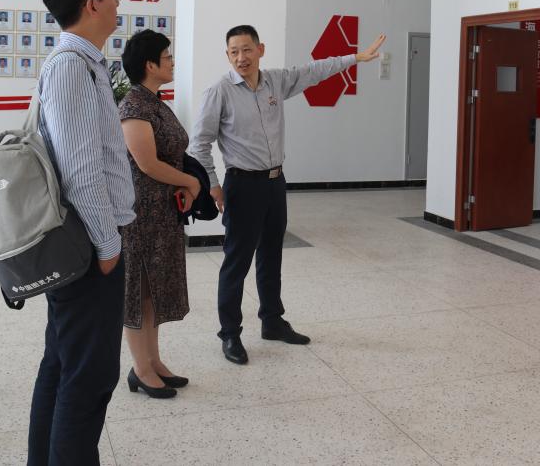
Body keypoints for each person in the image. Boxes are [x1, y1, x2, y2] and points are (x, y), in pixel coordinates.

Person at [190, 24, 385, 364]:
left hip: (275, 182)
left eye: (247, 49)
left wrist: (355, 58)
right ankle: (230, 333)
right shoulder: (219, 92)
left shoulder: (275, 81)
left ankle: (272, 321)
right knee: (237, 262)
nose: (241, 57)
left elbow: (314, 71)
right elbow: (199, 145)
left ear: (260, 50)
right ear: (227, 55)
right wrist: (213, 185)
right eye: (234, 51)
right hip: (242, 185)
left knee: (271, 255)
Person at [27, 0, 135, 466]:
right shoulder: (71, 66)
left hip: (87, 244)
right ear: (92, 4)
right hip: (89, 248)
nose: (117, 2)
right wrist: (108, 245)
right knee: (88, 377)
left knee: (63, 364)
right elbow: (80, 169)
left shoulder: (83, 63)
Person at [117, 30, 200, 399]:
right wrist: (189, 181)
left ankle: (153, 361)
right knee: (139, 292)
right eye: (167, 57)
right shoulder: (134, 106)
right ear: (150, 65)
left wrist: (183, 185)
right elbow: (147, 163)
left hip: (162, 214)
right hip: (141, 217)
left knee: (154, 292)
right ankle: (140, 369)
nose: (172, 62)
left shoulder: (155, 102)